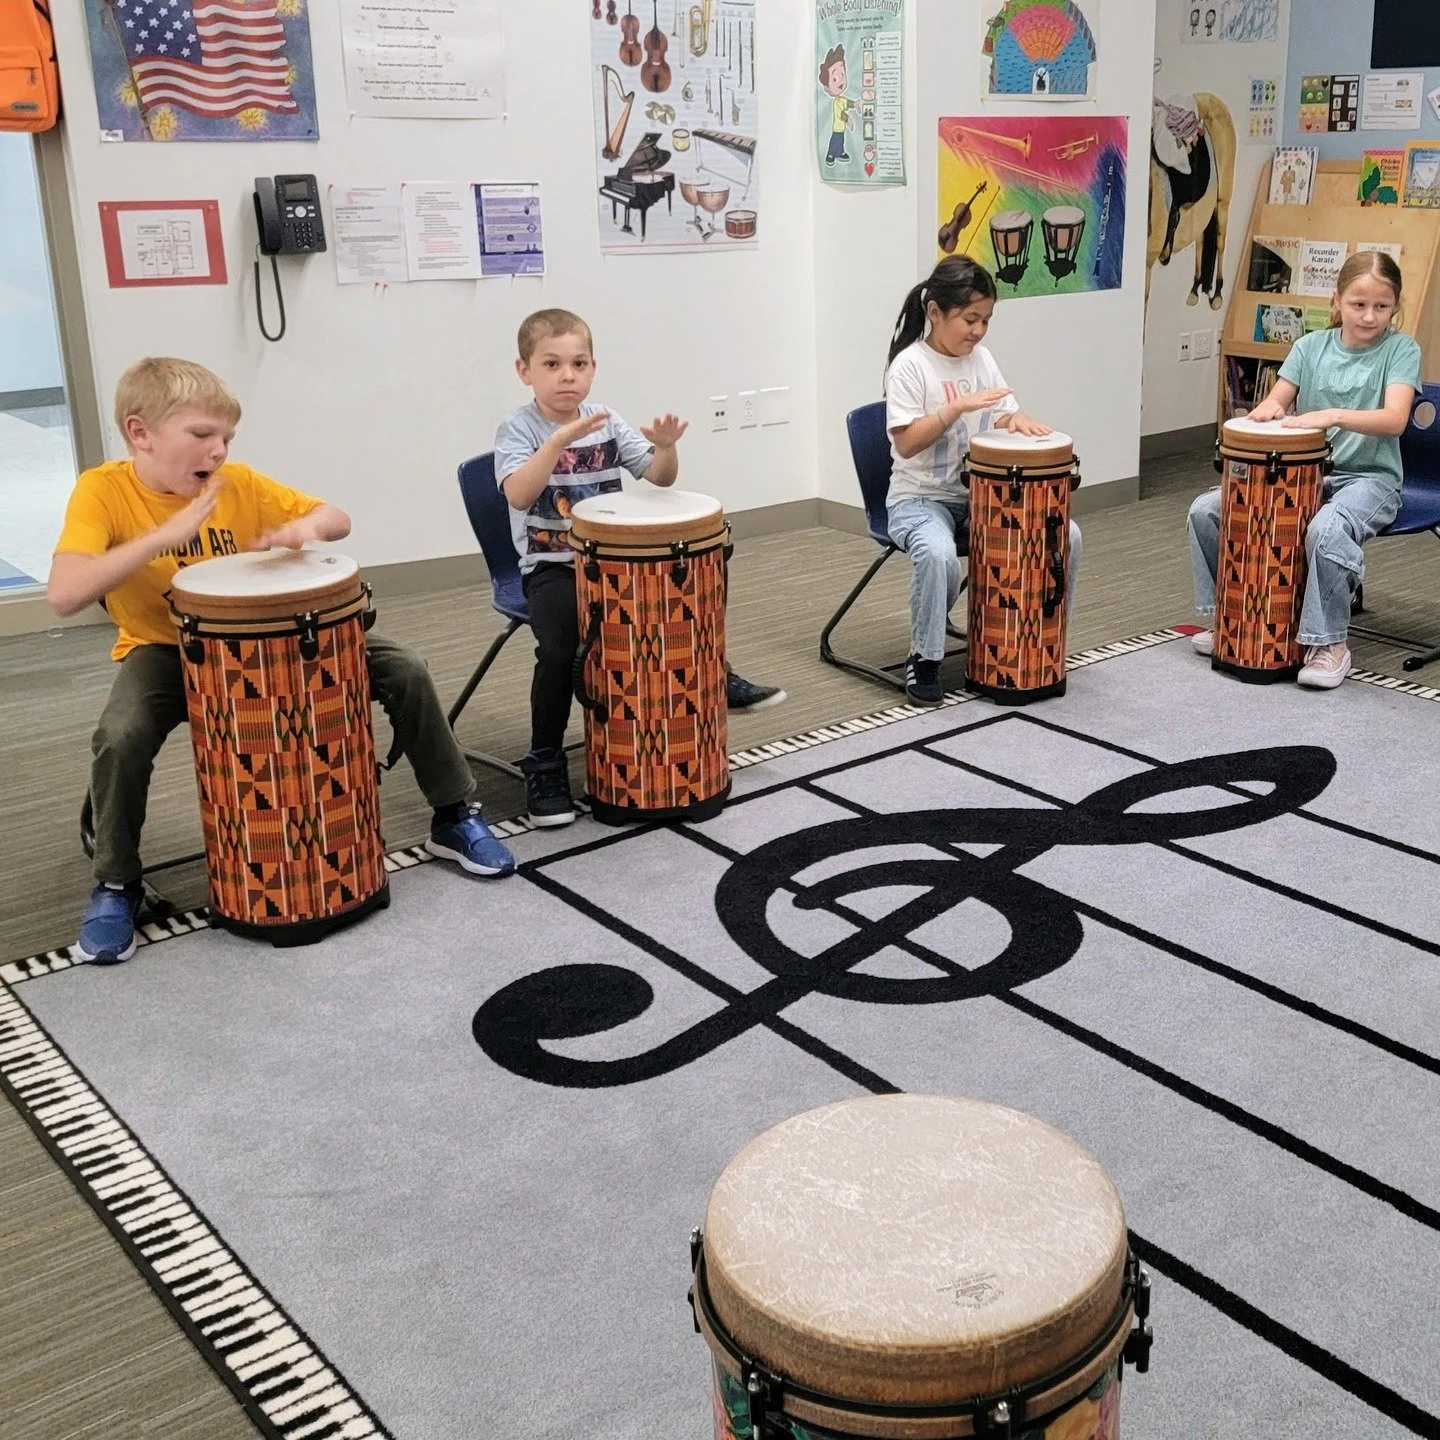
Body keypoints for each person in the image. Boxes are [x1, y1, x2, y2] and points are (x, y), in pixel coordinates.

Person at [48, 358, 516, 965]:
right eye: (201, 434)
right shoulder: (103, 491)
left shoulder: (236, 483)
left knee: (405, 668)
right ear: (141, 433)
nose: (217, 450)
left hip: (273, 639)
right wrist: (163, 537)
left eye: (226, 437)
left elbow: (336, 518)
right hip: (170, 648)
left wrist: (303, 528)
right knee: (120, 734)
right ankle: (116, 883)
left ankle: (453, 815)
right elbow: (64, 595)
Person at [493, 308, 785, 827]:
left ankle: (716, 675)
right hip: (553, 567)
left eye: (578, 363)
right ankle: (544, 761)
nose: (567, 375)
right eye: (552, 364)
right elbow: (518, 494)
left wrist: (667, 449)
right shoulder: (518, 428)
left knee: (688, 587)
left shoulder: (606, 419)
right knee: (559, 648)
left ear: (593, 367)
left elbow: (659, 476)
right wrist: (555, 443)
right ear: (525, 371)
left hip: (614, 563)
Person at [1187, 250, 1420, 689]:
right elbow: (1277, 400)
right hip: (1304, 475)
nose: (1370, 316)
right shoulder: (1309, 347)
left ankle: (1330, 643)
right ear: (1337, 300)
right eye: (1358, 304)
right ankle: (1231, 618)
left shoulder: (1401, 349)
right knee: (1207, 511)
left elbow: (1395, 419)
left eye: (1382, 306)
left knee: (1326, 530)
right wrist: (1266, 413)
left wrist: (1332, 415)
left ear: (1395, 306)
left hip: (1370, 479)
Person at [883, 256, 1082, 706]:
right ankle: (925, 657)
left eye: (986, 321)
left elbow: (1003, 412)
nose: (978, 331)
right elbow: (907, 444)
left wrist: (1019, 420)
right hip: (918, 500)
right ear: (935, 313)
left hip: (981, 497)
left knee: (1064, 535)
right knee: (939, 555)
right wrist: (955, 408)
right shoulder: (910, 367)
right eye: (970, 319)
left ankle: (1045, 638)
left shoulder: (982, 360)